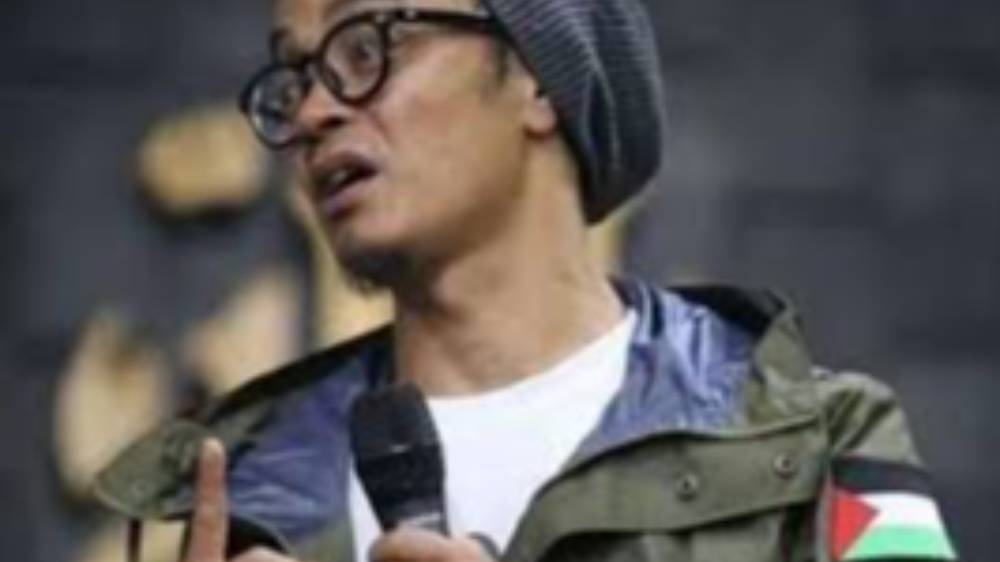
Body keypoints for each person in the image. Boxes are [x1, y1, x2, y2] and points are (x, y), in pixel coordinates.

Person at [95, 0, 961, 560]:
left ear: (541, 82)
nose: (316, 112)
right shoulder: (234, 487)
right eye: (294, 79)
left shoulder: (820, 440)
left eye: (365, 48)